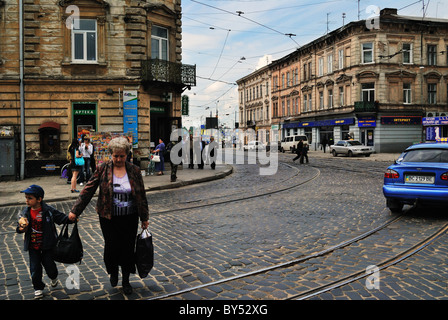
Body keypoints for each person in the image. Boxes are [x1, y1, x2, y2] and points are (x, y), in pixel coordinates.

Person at [68, 136, 149, 295]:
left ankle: (126, 280)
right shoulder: (103, 168)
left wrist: (144, 218)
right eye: (115, 156)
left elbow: (141, 195)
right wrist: (75, 210)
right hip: (108, 217)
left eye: (122, 156)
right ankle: (113, 271)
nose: (118, 159)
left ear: (127, 155)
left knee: (127, 249)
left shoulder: (134, 171)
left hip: (129, 217)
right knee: (112, 247)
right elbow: (88, 190)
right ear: (110, 154)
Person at [16, 184, 72, 299]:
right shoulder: (25, 213)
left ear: (39, 199)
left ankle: (54, 276)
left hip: (47, 245)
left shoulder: (48, 210)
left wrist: (71, 219)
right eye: (26, 198)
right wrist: (21, 229)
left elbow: (61, 218)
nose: (27, 200)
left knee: (50, 266)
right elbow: (20, 227)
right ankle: (38, 288)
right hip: (33, 246)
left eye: (30, 198)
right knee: (35, 268)